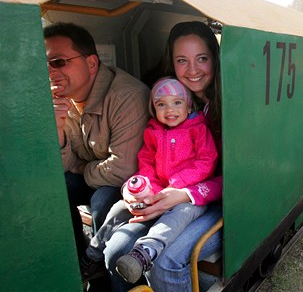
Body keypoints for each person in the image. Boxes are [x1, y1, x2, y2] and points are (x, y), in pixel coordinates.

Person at [102, 21, 224, 292]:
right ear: (172, 63)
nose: (192, 70)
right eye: (182, 60)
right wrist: (141, 188)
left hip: (217, 201)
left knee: (165, 262)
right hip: (168, 193)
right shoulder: (167, 106)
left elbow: (238, 178)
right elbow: (150, 159)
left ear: (215, 60)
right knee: (115, 250)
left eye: (201, 58)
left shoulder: (229, 105)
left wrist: (183, 193)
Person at [80, 77, 218, 284]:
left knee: (179, 216)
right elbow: (146, 161)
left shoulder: (198, 129)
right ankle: (94, 250)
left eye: (177, 103)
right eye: (161, 104)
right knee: (119, 208)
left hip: (189, 195)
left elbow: (207, 161)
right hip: (159, 190)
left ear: (189, 106)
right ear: (153, 108)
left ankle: (145, 251)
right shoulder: (153, 132)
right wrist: (148, 186)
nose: (169, 110)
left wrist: (177, 183)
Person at [45, 23, 150, 265]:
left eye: (59, 62)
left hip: (127, 184)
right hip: (97, 173)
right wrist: (58, 128)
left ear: (91, 64)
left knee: (103, 199)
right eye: (45, 64)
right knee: (54, 186)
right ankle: (73, 261)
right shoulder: (60, 98)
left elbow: (122, 170)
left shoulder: (126, 96)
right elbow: (62, 163)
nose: (50, 72)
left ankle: (100, 270)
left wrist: (80, 168)